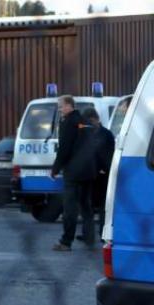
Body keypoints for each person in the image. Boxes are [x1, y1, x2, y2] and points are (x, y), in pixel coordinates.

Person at [51, 95, 96, 251]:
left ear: (70, 106)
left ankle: (66, 241)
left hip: (74, 171)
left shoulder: (68, 122)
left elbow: (64, 148)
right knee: (86, 206)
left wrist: (55, 168)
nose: (60, 110)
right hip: (88, 170)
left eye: (61, 106)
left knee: (70, 207)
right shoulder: (85, 121)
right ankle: (90, 238)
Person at [82, 107, 115, 239]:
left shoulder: (106, 134)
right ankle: (87, 233)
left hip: (102, 174)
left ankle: (103, 232)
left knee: (102, 205)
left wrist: (104, 169)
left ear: (96, 119)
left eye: (90, 121)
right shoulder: (85, 133)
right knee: (87, 204)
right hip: (89, 173)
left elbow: (109, 154)